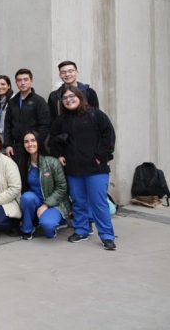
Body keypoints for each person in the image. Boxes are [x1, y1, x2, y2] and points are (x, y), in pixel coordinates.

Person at [50, 86, 116, 250]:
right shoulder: (61, 120)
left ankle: (107, 235)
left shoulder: (95, 114)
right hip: (74, 169)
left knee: (98, 203)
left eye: (72, 96)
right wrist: (59, 154)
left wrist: (101, 156)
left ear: (80, 97)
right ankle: (81, 230)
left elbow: (109, 136)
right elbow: (52, 139)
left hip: (96, 169)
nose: (69, 100)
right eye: (65, 98)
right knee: (79, 203)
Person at [18, 131, 70, 240]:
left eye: (33, 140)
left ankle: (59, 221)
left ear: (39, 142)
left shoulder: (52, 162)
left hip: (54, 204)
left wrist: (46, 205)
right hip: (36, 202)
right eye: (26, 142)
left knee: (47, 227)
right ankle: (27, 229)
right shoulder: (23, 163)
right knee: (27, 197)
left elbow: (62, 187)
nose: (30, 144)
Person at [3, 68, 50, 159]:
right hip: (16, 147)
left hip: (33, 146)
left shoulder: (39, 101)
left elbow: (45, 125)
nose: (22, 83)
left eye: (25, 79)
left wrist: (36, 142)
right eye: (19, 80)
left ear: (31, 81)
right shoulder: (12, 102)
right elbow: (8, 124)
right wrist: (8, 144)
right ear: (16, 83)